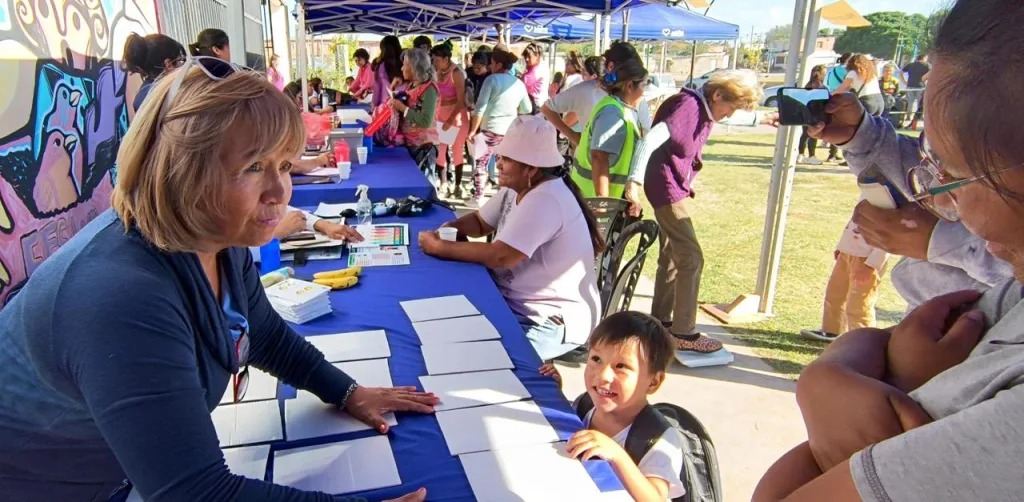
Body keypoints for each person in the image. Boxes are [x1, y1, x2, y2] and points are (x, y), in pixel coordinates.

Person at [0, 56, 435, 501]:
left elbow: (262, 334)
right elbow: (196, 492)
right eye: (253, 167)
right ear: (182, 170)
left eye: (284, 166)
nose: (280, 191)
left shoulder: (214, 236)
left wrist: (346, 391)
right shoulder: (119, 296)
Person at [755, 3, 1024, 499]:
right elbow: (905, 343)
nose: (935, 198)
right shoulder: (1013, 299)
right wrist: (832, 372)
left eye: (949, 176)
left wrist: (843, 388)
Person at [419, 116, 603, 361]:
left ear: (531, 169)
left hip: (549, 320)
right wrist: (452, 226)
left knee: (478, 361)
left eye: (506, 159)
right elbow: (480, 223)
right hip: (516, 305)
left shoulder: (546, 198)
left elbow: (501, 256)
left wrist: (440, 247)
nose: (499, 163)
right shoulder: (516, 187)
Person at [634, 69, 764, 353]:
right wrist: (633, 182)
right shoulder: (688, 106)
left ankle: (662, 322)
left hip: (669, 187)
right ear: (717, 95)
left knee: (672, 256)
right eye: (731, 107)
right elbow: (649, 141)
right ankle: (684, 332)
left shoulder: (699, 107)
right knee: (692, 258)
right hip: (664, 188)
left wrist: (763, 118)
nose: (730, 115)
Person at [540, 312, 685, 501]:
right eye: (596, 360)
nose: (603, 376)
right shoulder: (586, 404)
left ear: (653, 382)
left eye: (621, 366)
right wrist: (556, 394)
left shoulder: (658, 439)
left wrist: (617, 456)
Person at [799, 204, 890, 343]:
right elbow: (853, 223)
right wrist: (842, 247)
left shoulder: (890, 207)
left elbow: (887, 242)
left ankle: (862, 339)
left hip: (866, 260)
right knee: (835, 294)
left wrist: (871, 265)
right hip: (847, 254)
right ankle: (832, 330)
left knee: (859, 303)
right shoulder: (867, 200)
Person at [570, 58, 648, 205]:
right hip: (593, 200)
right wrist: (603, 202)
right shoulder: (612, 113)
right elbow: (599, 157)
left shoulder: (623, 109)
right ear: (630, 86)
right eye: (643, 85)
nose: (644, 92)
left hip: (604, 199)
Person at [466, 46, 532, 208]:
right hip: (509, 131)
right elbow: (527, 109)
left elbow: (480, 107)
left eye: (492, 63)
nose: (490, 66)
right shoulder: (518, 82)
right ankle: (504, 197)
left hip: (489, 129)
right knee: (504, 166)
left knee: (481, 163)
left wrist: (473, 130)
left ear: (499, 65)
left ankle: (478, 196)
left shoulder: (491, 80)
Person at [390, 49, 439, 181]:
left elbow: (426, 120)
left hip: (423, 147)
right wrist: (393, 89)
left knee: (425, 185)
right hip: (409, 144)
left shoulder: (429, 89)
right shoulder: (411, 86)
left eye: (404, 64)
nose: (401, 68)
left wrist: (403, 108)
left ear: (414, 67)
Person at [430, 40, 470, 198]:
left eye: (437, 59)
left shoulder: (456, 73)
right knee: (441, 151)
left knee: (457, 151)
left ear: (446, 59)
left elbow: (461, 100)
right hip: (441, 116)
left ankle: (458, 185)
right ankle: (444, 183)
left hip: (456, 118)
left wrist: (450, 119)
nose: (434, 62)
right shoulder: (436, 71)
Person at [121, 33, 186, 111]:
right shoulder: (181, 95)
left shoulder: (141, 100)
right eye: (180, 60)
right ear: (168, 65)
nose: (184, 65)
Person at [797, 65, 827, 166]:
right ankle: (811, 156)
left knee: (805, 134)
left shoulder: (808, 84)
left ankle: (800, 155)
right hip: (815, 113)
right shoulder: (820, 86)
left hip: (806, 112)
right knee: (813, 135)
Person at [824, 53, 851, 163]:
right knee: (845, 127)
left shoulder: (832, 71)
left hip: (832, 98)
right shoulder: (848, 72)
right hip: (844, 100)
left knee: (834, 126)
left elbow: (827, 84)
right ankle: (841, 154)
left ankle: (832, 154)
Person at [372, 35, 403, 110]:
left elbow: (377, 89)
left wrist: (374, 107)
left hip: (384, 106)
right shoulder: (404, 63)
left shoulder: (380, 66)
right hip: (402, 105)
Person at [902, 54, 930, 131]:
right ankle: (917, 118)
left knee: (909, 103)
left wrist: (904, 81)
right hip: (920, 86)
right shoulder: (926, 65)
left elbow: (901, 71)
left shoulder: (911, 65)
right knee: (920, 104)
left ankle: (908, 117)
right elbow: (931, 72)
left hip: (910, 85)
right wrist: (925, 79)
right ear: (924, 58)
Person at [521, 42, 550, 114]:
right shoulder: (543, 66)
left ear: (537, 55)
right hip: (541, 104)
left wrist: (523, 74)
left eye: (529, 56)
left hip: (536, 106)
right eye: (525, 57)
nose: (526, 59)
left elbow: (522, 83)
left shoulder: (536, 70)